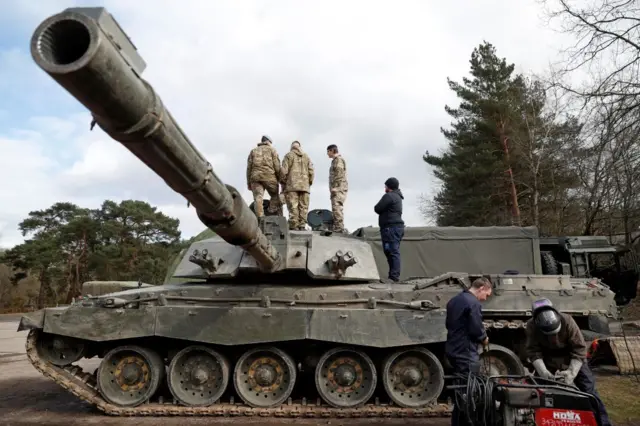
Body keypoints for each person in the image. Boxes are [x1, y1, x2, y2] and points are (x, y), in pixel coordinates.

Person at [525, 298, 612, 426]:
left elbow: (579, 349)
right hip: (548, 360)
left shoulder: (568, 321)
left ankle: (603, 423)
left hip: (572, 357)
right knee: (538, 393)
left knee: (589, 391)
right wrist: (543, 372)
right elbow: (533, 351)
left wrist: (572, 372)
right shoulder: (531, 326)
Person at [445, 277, 492, 426]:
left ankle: (458, 421)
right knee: (470, 391)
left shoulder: (454, 300)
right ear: (481, 288)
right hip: (466, 352)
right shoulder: (473, 303)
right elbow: (476, 328)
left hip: (453, 349)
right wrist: (484, 338)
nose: (485, 298)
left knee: (461, 389)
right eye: (487, 295)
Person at [373, 177, 405, 282]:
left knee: (392, 252)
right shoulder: (398, 197)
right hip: (394, 228)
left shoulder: (389, 196)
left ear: (389, 186)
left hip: (391, 228)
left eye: (386, 186)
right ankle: (392, 276)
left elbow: (377, 208)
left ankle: (394, 277)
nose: (384, 188)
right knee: (390, 251)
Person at [280, 141, 315, 230]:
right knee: (303, 206)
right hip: (304, 186)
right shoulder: (307, 157)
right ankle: (302, 225)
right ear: (299, 147)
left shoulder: (288, 156)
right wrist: (308, 183)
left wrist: (284, 183)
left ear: (292, 147)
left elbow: (284, 171)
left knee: (293, 206)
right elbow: (311, 171)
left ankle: (294, 225)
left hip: (292, 185)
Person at [246, 135, 282, 217]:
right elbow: (277, 166)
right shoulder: (272, 150)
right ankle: (271, 211)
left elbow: (249, 168)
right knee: (275, 196)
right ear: (268, 142)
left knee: (258, 198)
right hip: (270, 177)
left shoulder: (253, 151)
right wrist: (280, 179)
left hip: (255, 177)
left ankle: (260, 217)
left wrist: (248, 182)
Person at [327, 144, 348, 233]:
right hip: (337, 188)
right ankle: (338, 227)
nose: (327, 154)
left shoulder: (338, 160)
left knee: (337, 207)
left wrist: (336, 188)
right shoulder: (335, 160)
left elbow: (339, 174)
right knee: (336, 207)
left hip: (338, 188)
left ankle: (339, 228)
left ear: (332, 151)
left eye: (328, 152)